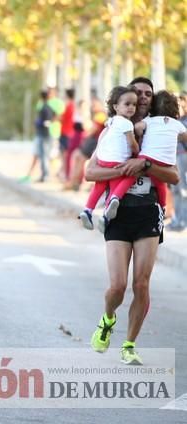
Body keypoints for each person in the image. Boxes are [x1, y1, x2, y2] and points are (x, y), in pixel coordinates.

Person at [87, 77, 179, 366]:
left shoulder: (159, 130)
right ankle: (107, 318)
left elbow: (174, 176)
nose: (141, 98)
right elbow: (90, 173)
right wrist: (123, 171)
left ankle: (129, 344)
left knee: (141, 284)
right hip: (119, 212)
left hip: (148, 211)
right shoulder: (114, 129)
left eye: (147, 94)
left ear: (152, 100)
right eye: (136, 93)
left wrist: (147, 165)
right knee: (117, 286)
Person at [77, 86, 139, 231]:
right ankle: (113, 202)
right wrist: (137, 150)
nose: (131, 107)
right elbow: (131, 143)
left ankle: (87, 210)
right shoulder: (127, 123)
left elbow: (107, 127)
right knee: (129, 177)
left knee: (99, 186)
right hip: (117, 161)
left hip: (103, 160)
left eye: (134, 104)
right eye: (127, 104)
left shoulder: (111, 121)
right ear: (116, 106)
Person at [20, 90, 55, 183]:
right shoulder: (47, 107)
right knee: (43, 155)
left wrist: (40, 123)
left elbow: (48, 121)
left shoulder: (45, 108)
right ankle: (44, 174)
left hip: (44, 134)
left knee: (44, 155)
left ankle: (45, 175)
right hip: (44, 134)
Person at [166, 91, 187, 231]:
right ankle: (177, 219)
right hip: (173, 157)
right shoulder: (174, 120)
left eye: (181, 102)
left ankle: (183, 221)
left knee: (184, 190)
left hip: (183, 157)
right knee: (175, 190)